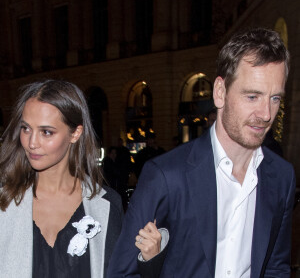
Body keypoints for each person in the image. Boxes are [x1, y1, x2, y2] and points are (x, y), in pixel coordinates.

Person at [107, 28, 296, 278]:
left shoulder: (282, 177)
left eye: (275, 98)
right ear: (220, 92)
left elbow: (275, 267)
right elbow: (122, 273)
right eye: (252, 96)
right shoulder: (166, 176)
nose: (266, 114)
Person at [0, 80, 124, 278]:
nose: (32, 143)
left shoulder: (106, 206)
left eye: (46, 132)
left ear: (75, 133)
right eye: (26, 129)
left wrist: (150, 259)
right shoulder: (4, 202)